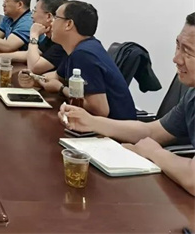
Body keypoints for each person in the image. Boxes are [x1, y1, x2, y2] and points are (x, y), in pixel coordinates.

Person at [59, 12, 195, 196]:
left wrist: (154, 153)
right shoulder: (192, 94)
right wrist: (90, 122)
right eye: (178, 46)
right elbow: (151, 132)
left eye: (187, 51)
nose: (176, 58)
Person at [20, 0, 136, 120]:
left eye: (56, 18)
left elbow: (100, 110)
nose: (52, 23)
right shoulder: (80, 47)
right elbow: (57, 76)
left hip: (113, 128)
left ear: (68, 24)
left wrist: (61, 89)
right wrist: (33, 79)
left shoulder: (84, 55)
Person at [0, 0, 68, 74]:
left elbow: (33, 67)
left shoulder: (61, 43)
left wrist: (34, 35)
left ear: (48, 16)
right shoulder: (50, 38)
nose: (31, 16)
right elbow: (28, 54)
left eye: (34, 11)